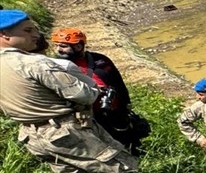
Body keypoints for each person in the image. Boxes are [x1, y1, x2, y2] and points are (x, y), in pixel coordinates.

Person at [0, 9, 151, 173]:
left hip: (31, 135)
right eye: (28, 30)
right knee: (123, 170)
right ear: (4, 35)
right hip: (65, 130)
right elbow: (86, 95)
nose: (36, 35)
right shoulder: (36, 63)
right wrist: (88, 83)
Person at [50, 27, 149, 155]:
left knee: (128, 137)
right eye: (57, 46)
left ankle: (136, 156)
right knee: (104, 146)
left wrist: (125, 104)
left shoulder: (100, 60)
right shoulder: (57, 66)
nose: (58, 49)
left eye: (63, 46)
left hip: (114, 109)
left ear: (79, 47)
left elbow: (118, 82)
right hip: (88, 114)